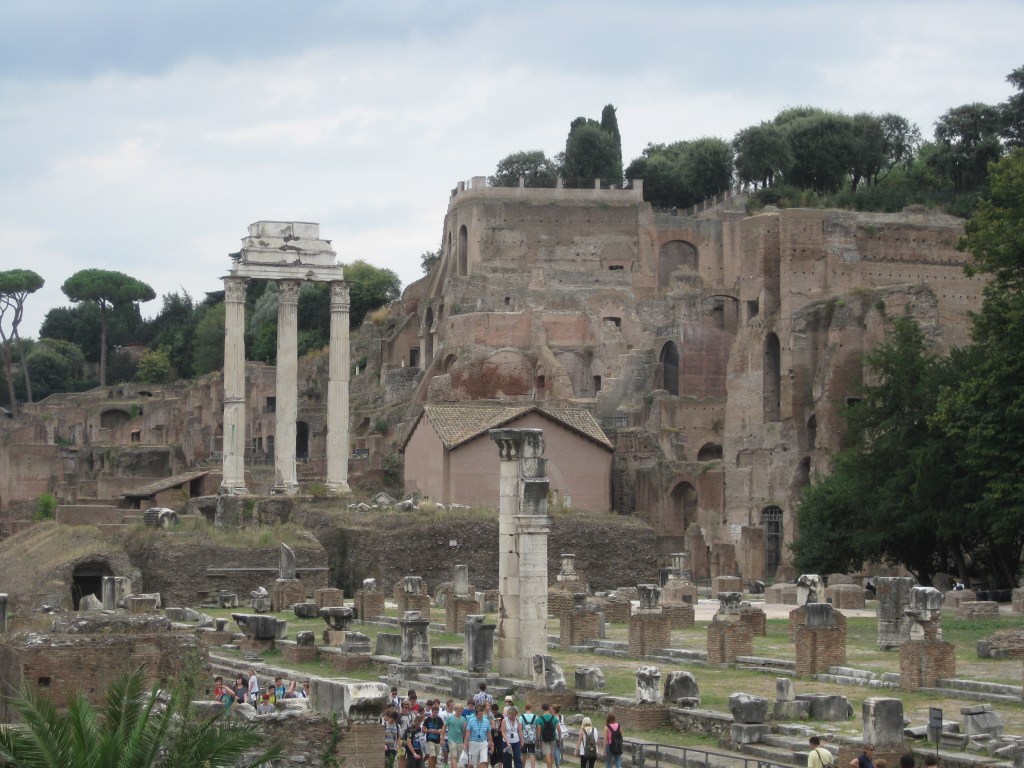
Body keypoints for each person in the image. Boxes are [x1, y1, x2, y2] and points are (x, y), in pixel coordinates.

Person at [464, 703, 494, 768]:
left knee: (483, 761)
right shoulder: (471, 721)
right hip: (473, 742)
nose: (481, 715)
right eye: (480, 714)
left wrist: (491, 744)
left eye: (482, 713)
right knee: (472, 763)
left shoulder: (486, 721)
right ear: (476, 714)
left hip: (483, 743)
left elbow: (489, 733)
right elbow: (468, 733)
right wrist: (465, 743)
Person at [442, 699, 468, 768]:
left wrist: (465, 727)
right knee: (453, 756)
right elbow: (444, 727)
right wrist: (442, 737)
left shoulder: (463, 719)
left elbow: (464, 732)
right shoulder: (450, 718)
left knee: (457, 758)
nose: (460, 712)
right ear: (455, 710)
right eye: (458, 711)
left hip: (460, 741)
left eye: (461, 711)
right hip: (451, 740)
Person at [536, 703, 559, 768]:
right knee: (552, 753)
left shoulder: (540, 719)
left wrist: (538, 740)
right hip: (553, 737)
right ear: (549, 708)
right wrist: (559, 737)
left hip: (544, 738)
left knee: (547, 754)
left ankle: (549, 767)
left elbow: (539, 730)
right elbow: (558, 728)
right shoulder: (554, 718)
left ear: (542, 709)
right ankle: (551, 766)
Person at [519, 703, 538, 768]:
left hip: (524, 738)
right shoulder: (535, 716)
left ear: (525, 708)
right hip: (532, 738)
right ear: (531, 708)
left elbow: (520, 728)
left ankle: (523, 766)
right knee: (532, 753)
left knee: (523, 754)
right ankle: (533, 766)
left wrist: (521, 739)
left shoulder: (521, 717)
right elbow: (537, 727)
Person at [489, 703, 504, 768]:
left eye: (496, 710)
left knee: (500, 749)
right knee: (493, 749)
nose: (495, 712)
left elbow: (503, 723)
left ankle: (500, 763)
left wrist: (501, 728)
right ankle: (493, 764)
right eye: (493, 710)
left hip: (499, 735)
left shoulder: (500, 715)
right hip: (492, 735)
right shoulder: (490, 715)